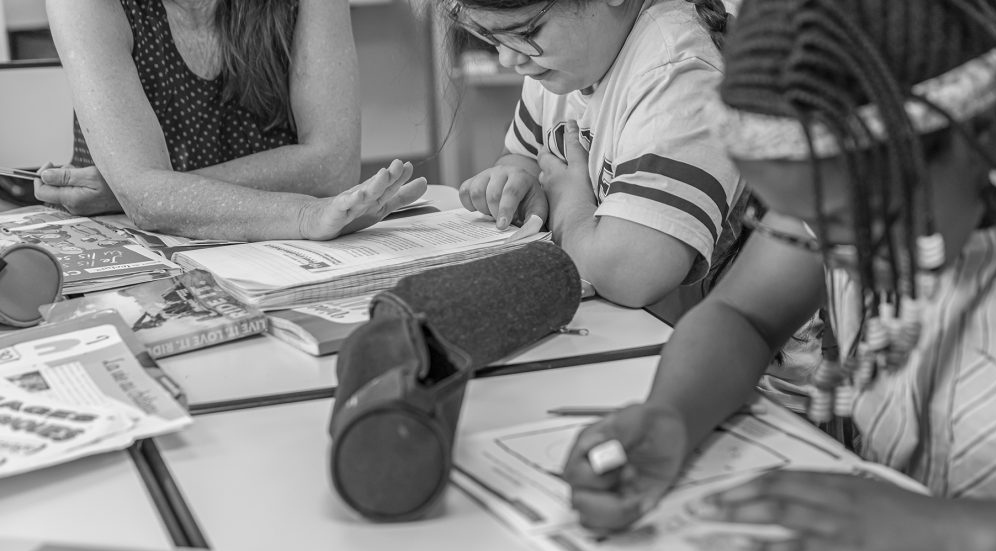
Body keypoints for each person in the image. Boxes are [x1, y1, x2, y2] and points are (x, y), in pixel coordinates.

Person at [564, 0, 996, 551]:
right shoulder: (847, 189)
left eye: (843, 221)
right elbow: (743, 314)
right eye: (801, 224)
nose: (829, 255)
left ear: (973, 136)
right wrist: (672, 415)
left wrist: (950, 537)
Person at [38, 0, 427, 241]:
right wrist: (304, 214)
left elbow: (332, 166)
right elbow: (144, 199)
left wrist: (156, 189)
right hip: (137, 250)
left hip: (279, 248)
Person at [452, 0, 743, 307]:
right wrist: (514, 182)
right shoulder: (556, 68)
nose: (508, 58)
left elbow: (633, 273)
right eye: (492, 36)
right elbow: (521, 156)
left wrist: (569, 204)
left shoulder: (678, 68)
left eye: (525, 32)